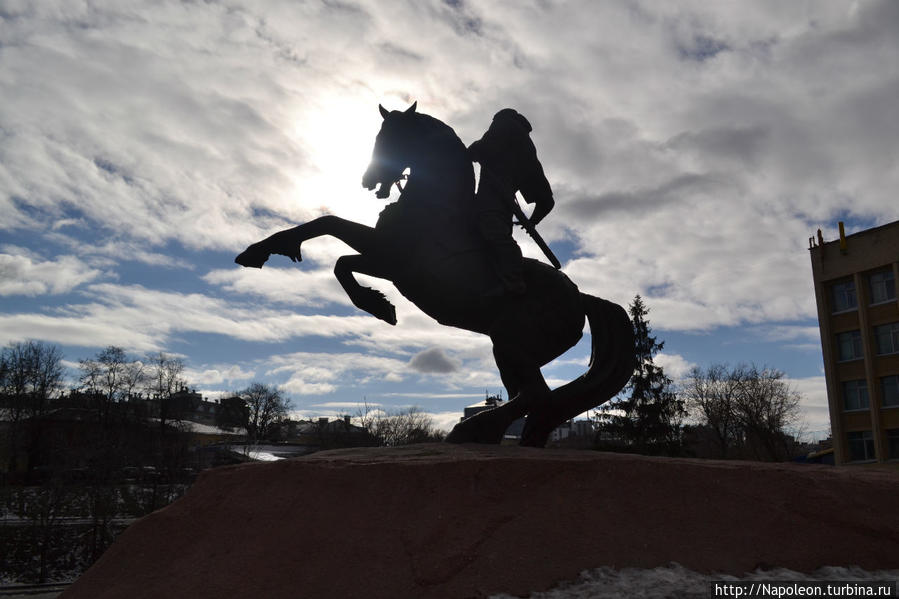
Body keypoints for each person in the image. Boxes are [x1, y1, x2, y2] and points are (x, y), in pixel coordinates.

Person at [468, 108, 555, 296]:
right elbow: (545, 197)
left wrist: (471, 150)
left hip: (493, 200)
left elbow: (483, 147)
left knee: (493, 231)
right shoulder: (524, 142)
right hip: (499, 203)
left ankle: (514, 282)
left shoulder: (505, 123)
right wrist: (534, 219)